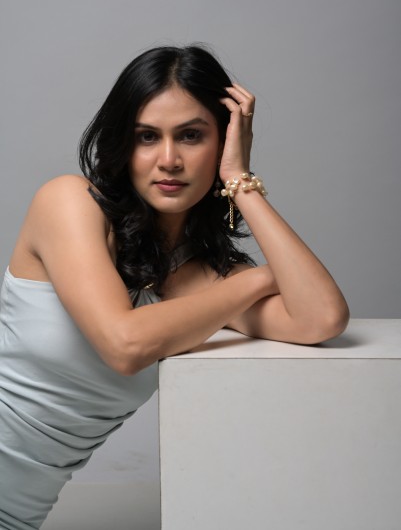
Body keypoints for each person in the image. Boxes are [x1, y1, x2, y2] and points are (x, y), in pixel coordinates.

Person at [0, 44, 349, 529]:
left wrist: (239, 178)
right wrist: (263, 278)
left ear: (223, 141)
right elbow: (125, 344)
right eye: (147, 137)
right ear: (124, 144)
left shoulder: (202, 280)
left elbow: (322, 318)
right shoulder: (70, 202)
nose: (169, 160)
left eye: (191, 135)